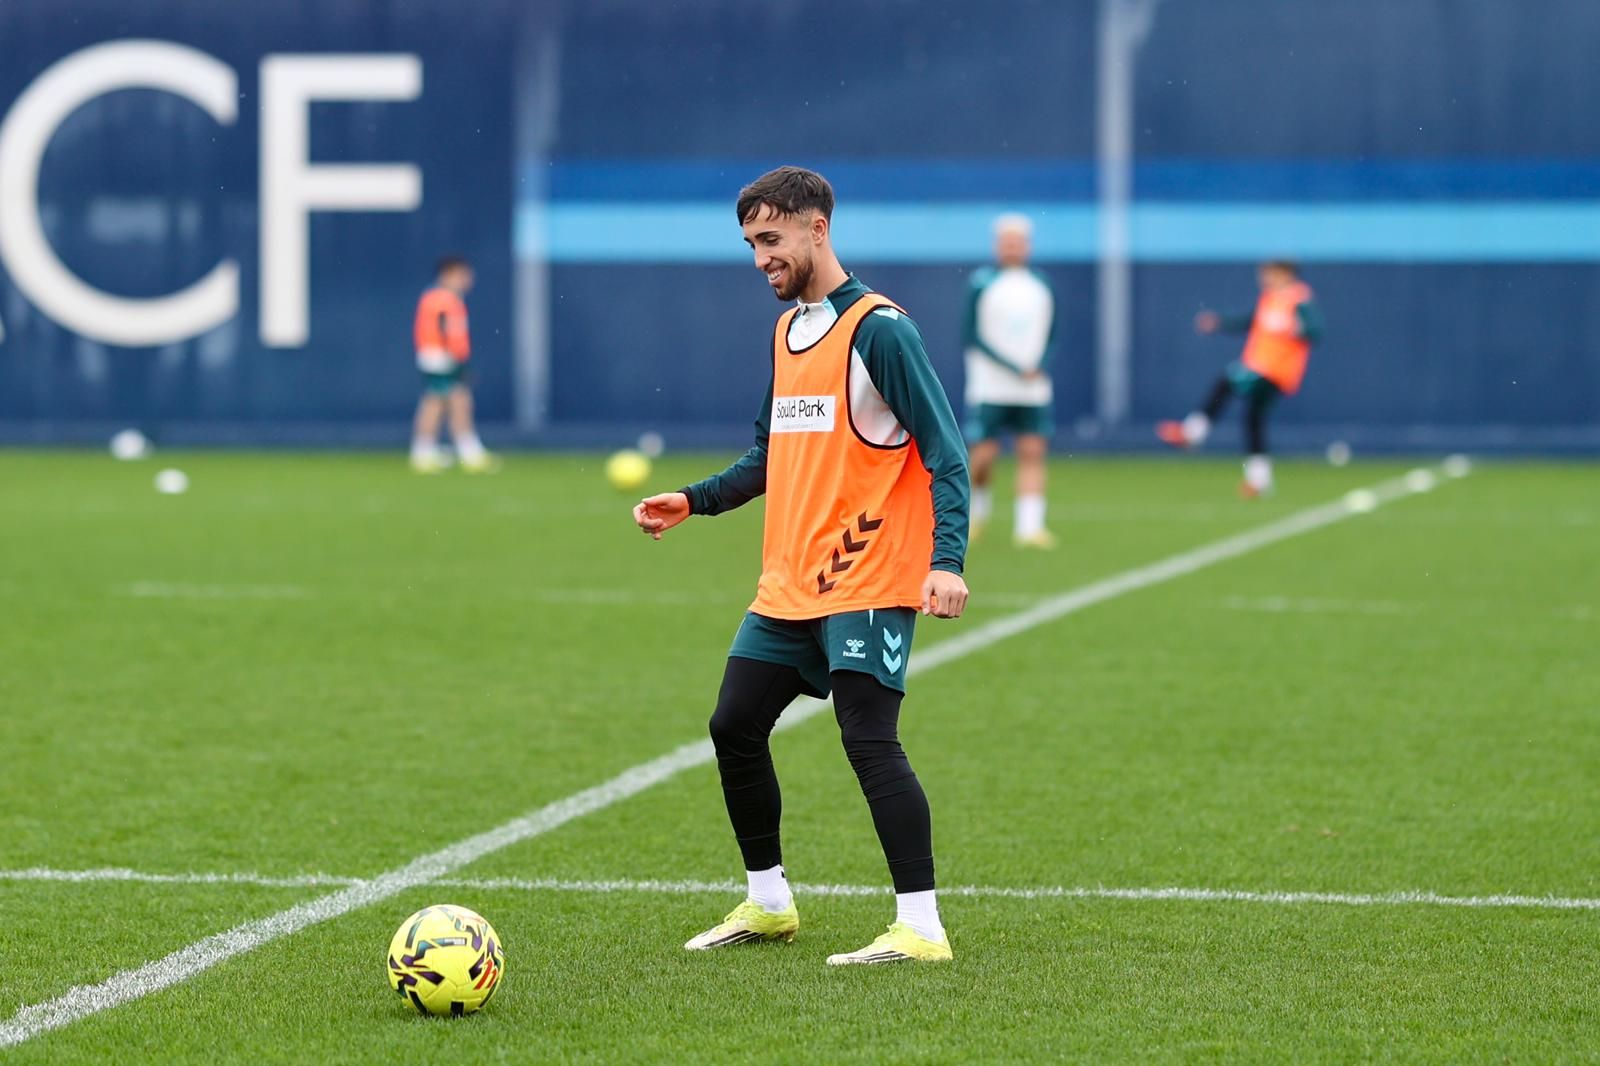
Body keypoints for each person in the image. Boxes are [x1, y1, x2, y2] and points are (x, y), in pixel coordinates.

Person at [632, 166, 970, 966]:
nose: (761, 259)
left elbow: (946, 453)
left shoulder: (881, 331)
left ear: (818, 229)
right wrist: (694, 500)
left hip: (868, 576)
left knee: (868, 738)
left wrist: (946, 562)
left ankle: (921, 926)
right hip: (790, 584)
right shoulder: (787, 333)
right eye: (752, 245)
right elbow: (770, 454)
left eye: (771, 240)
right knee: (734, 725)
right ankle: (769, 903)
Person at [1157, 260, 1323, 497]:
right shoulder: (1270, 298)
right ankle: (1260, 480)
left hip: (1273, 369)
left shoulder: (1299, 299)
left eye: (1270, 274)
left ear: (1286, 274)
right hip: (1263, 368)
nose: (1264, 278)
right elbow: (1250, 322)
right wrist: (1220, 323)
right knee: (1253, 419)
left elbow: (1314, 330)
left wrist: (1298, 328)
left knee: (1226, 382)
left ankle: (1193, 433)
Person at [963, 213, 1057, 547]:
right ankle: (975, 516)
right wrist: (1014, 366)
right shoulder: (982, 283)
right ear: (998, 246)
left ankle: (1030, 527)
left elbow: (1052, 332)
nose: (1013, 248)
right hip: (990, 386)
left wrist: (1038, 365)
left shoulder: (1041, 284)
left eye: (1018, 242)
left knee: (1032, 451)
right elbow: (971, 335)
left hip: (1032, 387)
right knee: (983, 455)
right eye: (1007, 242)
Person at [410, 255, 496, 473]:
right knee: (448, 402)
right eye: (462, 275)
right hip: (441, 358)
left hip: (439, 357)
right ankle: (463, 452)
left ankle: (431, 451)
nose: (467, 280)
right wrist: (457, 360)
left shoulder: (441, 298)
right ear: (447, 274)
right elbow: (446, 332)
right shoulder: (442, 299)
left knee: (445, 402)